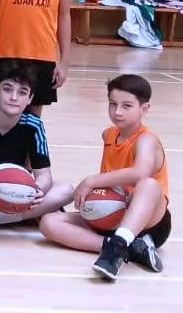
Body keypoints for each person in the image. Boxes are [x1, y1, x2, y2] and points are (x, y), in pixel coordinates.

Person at [40, 74, 170, 280]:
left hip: (149, 223)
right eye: (113, 104)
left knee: (149, 184)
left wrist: (91, 181)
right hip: (112, 216)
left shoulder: (146, 140)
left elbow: (140, 173)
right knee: (49, 222)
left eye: (127, 106)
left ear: (144, 109)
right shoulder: (109, 135)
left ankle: (118, 247)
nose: (117, 111)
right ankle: (120, 247)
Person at [0, 61, 73, 231]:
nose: (14, 97)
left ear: (30, 98)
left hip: (15, 192)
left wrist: (37, 191)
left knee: (66, 190)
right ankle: (21, 216)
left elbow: (44, 175)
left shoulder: (34, 125)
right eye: (7, 89)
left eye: (22, 92)